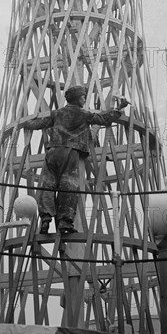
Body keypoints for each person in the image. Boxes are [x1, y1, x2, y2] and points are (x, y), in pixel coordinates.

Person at [23, 86, 128, 234]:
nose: (85, 99)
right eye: (83, 97)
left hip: (52, 151)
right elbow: (103, 119)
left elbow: (41, 123)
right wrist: (119, 109)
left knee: (48, 184)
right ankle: (65, 223)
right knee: (68, 184)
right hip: (69, 151)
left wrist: (26, 123)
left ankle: (45, 219)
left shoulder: (57, 113)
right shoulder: (83, 113)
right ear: (78, 98)